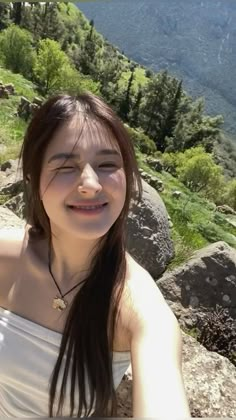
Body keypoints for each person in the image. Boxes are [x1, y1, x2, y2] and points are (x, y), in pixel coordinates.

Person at [0, 92, 191, 418]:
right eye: (65, 165)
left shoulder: (139, 309)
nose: (90, 183)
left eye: (107, 165)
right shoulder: (6, 258)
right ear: (33, 178)